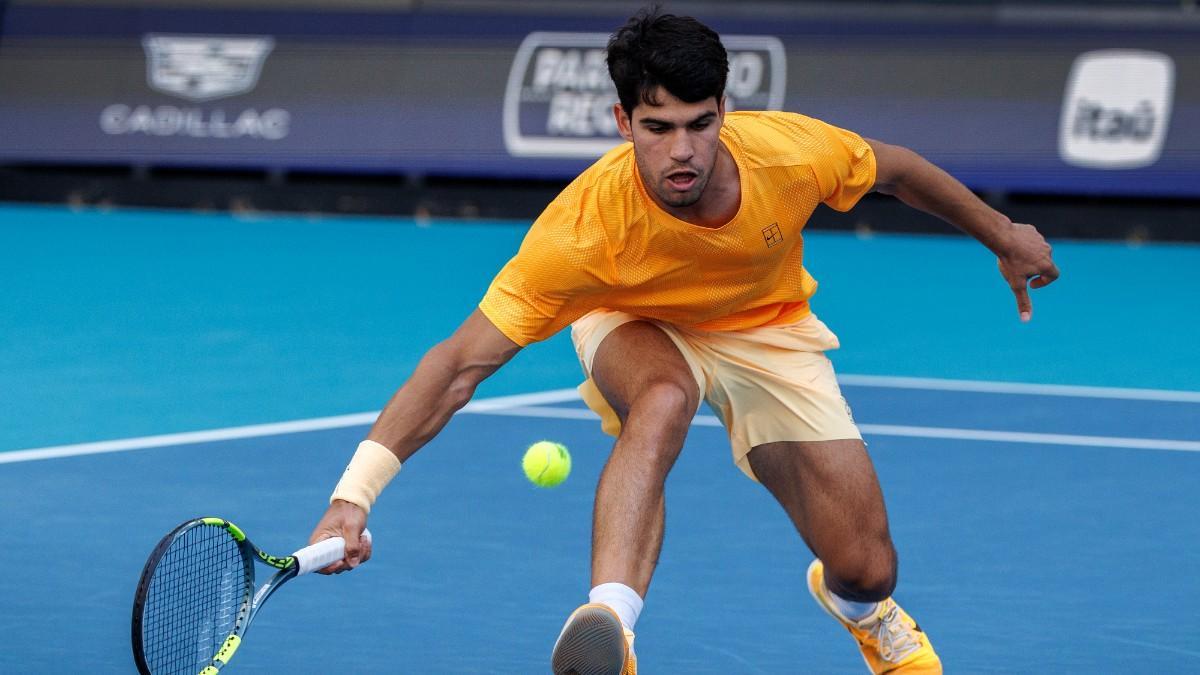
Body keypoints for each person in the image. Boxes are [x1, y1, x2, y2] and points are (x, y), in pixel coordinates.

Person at [308, 8, 1059, 674]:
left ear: (725, 111)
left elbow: (895, 169)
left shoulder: (789, 156)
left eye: (700, 124)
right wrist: (354, 496)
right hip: (632, 321)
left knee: (867, 566)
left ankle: (863, 611)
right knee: (665, 395)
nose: (683, 151)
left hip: (767, 330)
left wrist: (1003, 235)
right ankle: (610, 624)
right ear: (622, 121)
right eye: (658, 127)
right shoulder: (584, 230)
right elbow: (458, 362)